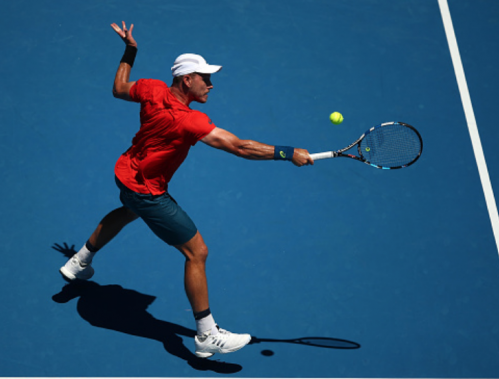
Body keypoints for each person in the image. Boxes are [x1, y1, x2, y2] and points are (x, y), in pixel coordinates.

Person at [59, 21, 314, 358]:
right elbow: (239, 147)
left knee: (127, 211)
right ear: (186, 80)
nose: (210, 84)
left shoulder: (150, 89)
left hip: (125, 173)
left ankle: (79, 261)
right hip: (147, 190)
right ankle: (207, 334)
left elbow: (119, 87)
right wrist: (287, 152)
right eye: (205, 78)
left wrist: (130, 51)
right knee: (197, 252)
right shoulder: (189, 121)